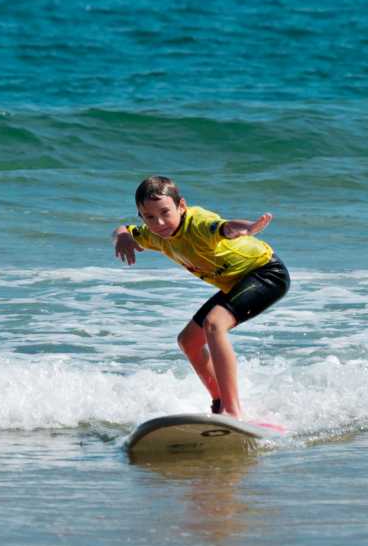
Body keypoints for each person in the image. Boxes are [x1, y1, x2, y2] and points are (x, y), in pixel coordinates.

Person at [112, 175, 289, 419]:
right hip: (236, 284)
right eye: (150, 217)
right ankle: (219, 402)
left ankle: (233, 412)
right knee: (189, 341)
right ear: (142, 216)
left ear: (181, 206)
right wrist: (122, 237)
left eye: (165, 212)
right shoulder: (154, 235)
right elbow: (122, 229)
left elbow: (222, 227)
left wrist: (244, 228)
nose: (160, 222)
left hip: (267, 273)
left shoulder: (197, 223)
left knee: (214, 324)